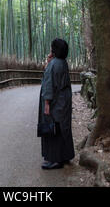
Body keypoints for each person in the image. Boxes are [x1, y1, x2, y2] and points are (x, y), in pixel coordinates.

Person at [38, 38, 75, 169]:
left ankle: (55, 160)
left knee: (53, 129)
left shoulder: (54, 64)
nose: (50, 49)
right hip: (64, 101)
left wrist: (47, 104)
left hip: (55, 102)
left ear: (55, 50)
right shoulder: (62, 62)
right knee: (63, 128)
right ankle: (65, 155)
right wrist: (49, 61)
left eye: (51, 47)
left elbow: (49, 85)